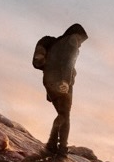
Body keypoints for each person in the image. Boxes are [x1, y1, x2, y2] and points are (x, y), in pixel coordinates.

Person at [32, 23, 88, 154]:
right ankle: (62, 147)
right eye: (81, 40)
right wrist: (66, 81)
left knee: (62, 114)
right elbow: (68, 62)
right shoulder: (71, 40)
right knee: (65, 115)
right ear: (75, 34)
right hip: (62, 82)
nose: (80, 44)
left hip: (49, 81)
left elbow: (45, 64)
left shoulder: (55, 44)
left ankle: (52, 143)